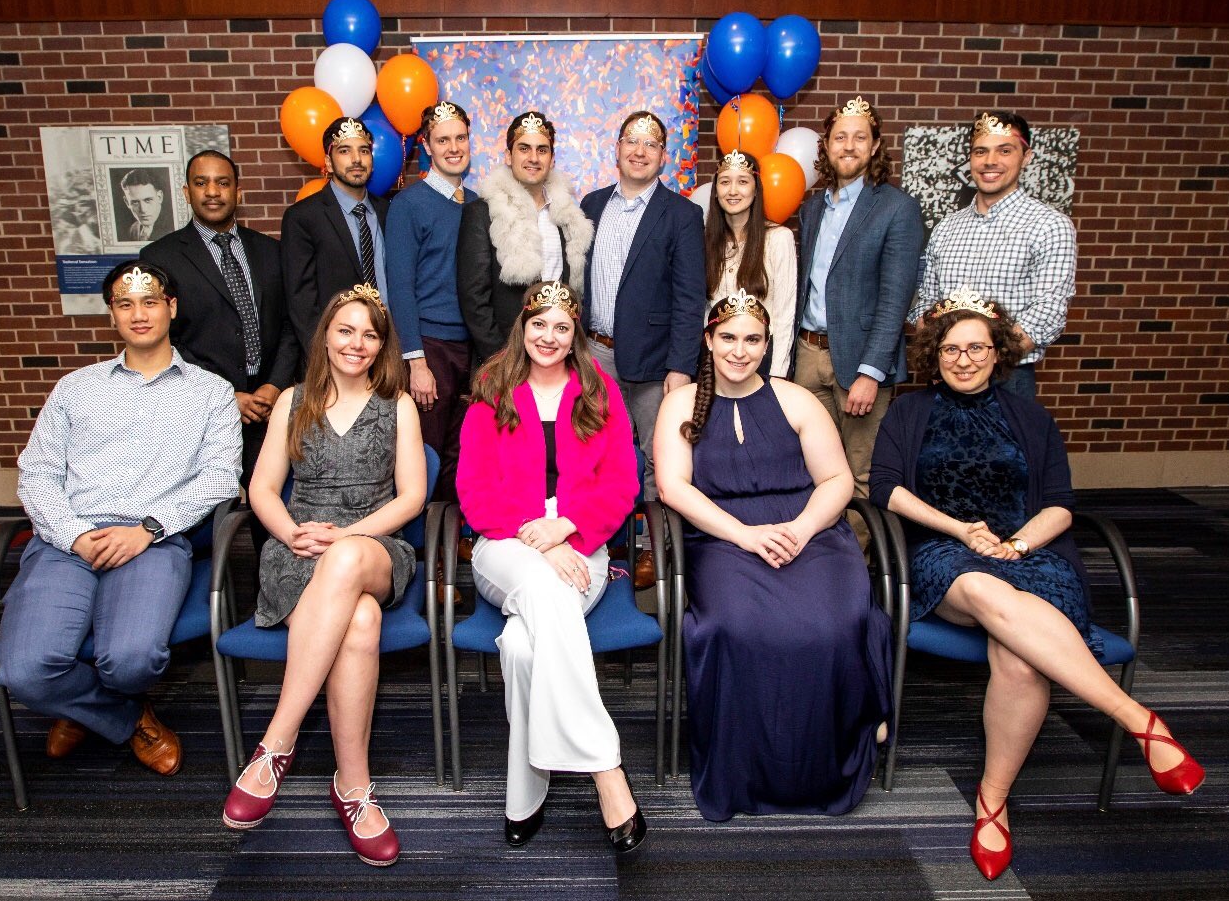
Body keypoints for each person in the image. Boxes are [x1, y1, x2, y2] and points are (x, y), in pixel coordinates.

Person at [870, 288, 1206, 881]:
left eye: (977, 348)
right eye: (951, 349)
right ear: (934, 355)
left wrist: (1019, 544)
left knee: (1022, 662)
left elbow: (1059, 504)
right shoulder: (908, 412)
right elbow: (886, 489)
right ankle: (1138, 720)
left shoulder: (1031, 418)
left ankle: (992, 802)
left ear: (998, 353)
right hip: (945, 552)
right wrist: (961, 530)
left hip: (1028, 553)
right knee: (981, 588)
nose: (964, 359)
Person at [0, 261, 241, 777]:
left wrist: (147, 530)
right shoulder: (75, 388)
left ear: (171, 308)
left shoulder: (211, 393)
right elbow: (36, 474)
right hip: (68, 541)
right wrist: (75, 536)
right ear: (112, 314)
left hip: (152, 541)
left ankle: (81, 709)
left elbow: (220, 480)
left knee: (132, 662)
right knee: (24, 672)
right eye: (125, 304)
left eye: (150, 301)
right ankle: (126, 718)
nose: (139, 314)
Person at [654, 290, 892, 821]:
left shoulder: (797, 399)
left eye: (752, 340)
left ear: (767, 345)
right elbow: (673, 487)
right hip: (720, 536)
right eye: (728, 338)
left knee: (832, 624)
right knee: (737, 625)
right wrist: (743, 535)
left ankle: (831, 754)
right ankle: (747, 770)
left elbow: (837, 479)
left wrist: (801, 529)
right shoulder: (680, 403)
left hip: (809, 530)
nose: (739, 351)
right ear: (708, 340)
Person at [220, 285, 424, 868]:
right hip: (299, 549)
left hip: (375, 546)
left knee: (349, 560)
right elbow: (262, 488)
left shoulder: (397, 404)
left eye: (370, 335)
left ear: (382, 346)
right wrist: (289, 533)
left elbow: (411, 497)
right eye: (346, 330)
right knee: (360, 622)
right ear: (326, 337)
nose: (357, 344)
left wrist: (348, 535)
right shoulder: (293, 400)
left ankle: (275, 744)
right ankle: (354, 789)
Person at [455, 281, 646, 853]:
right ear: (523, 326)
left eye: (562, 327)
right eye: (539, 323)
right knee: (543, 585)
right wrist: (539, 538)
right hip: (503, 543)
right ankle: (606, 768)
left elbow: (624, 483)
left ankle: (525, 794)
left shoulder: (599, 391)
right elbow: (473, 491)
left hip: (581, 541)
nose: (549, 336)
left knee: (521, 647)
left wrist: (568, 526)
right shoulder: (492, 390)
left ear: (574, 336)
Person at [793, 96, 923, 521]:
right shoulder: (813, 207)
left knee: (860, 473)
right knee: (813, 469)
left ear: (875, 145)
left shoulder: (896, 208)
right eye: (840, 137)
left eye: (859, 138)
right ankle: (823, 552)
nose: (848, 146)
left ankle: (860, 558)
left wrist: (871, 372)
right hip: (808, 355)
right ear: (827, 146)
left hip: (859, 362)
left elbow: (895, 299)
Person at [141, 149, 296, 485]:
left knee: (270, 498)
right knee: (210, 503)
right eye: (202, 183)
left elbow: (289, 325)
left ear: (238, 192)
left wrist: (275, 385)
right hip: (201, 408)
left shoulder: (271, 251)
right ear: (187, 192)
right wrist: (224, 394)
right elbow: (163, 341)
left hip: (268, 406)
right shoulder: (160, 258)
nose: (212, 192)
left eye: (223, 183)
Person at [581, 110, 705, 504]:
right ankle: (607, 533)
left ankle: (656, 537)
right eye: (632, 141)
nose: (640, 151)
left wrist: (681, 367)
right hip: (595, 354)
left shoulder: (683, 215)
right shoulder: (591, 205)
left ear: (663, 156)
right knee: (599, 454)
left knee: (659, 457)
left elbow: (690, 299)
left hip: (655, 362)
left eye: (651, 144)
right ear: (617, 149)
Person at [910, 111, 1076, 398]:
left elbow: (1047, 312)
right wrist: (943, 356)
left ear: (1026, 157)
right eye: (980, 151)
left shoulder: (1049, 225)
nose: (990, 161)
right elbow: (926, 301)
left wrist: (978, 364)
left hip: (1008, 379)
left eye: (1005, 150)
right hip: (945, 375)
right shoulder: (947, 227)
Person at [385, 101, 477, 501]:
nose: (453, 148)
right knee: (427, 454)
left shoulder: (477, 203)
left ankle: (451, 532)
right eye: (443, 140)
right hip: (432, 348)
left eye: (460, 138)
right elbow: (400, 286)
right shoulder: (409, 204)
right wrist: (416, 362)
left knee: (464, 453)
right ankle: (419, 534)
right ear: (427, 146)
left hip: (472, 348)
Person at [456, 111, 593, 364]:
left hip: (557, 357)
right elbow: (474, 301)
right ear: (509, 156)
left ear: (552, 159)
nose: (533, 158)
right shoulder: (483, 213)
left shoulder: (567, 217)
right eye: (524, 148)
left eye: (542, 150)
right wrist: (502, 361)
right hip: (504, 358)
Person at [281, 117, 390, 364]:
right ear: (329, 163)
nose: (356, 159)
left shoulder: (388, 211)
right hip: (337, 356)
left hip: (387, 349)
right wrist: (323, 360)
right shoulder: (303, 217)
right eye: (345, 151)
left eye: (364, 151)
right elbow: (301, 301)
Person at [703, 151, 796, 378]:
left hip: (761, 361)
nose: (733, 190)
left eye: (743, 182)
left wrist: (777, 376)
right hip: (715, 362)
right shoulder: (705, 241)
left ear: (756, 190)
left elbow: (785, 315)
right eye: (725, 182)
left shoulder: (778, 239)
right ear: (715, 191)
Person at [119, 169, 173, 243]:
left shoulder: (173, 229)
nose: (143, 210)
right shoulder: (134, 229)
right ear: (127, 202)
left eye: (148, 200)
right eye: (135, 202)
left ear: (159, 197)